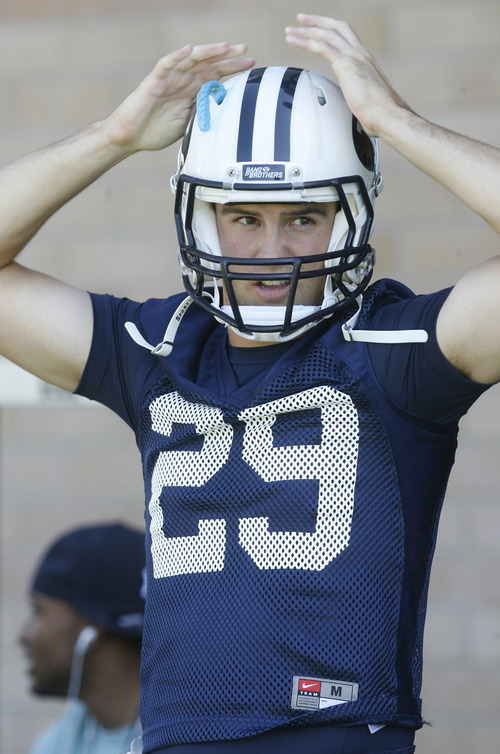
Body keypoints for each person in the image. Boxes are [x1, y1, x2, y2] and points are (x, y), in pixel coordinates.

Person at [2, 10, 500, 753]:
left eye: (303, 216)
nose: (272, 250)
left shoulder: (397, 351)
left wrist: (397, 123)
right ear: (199, 217)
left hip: (336, 736)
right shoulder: (157, 349)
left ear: (351, 213)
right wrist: (111, 137)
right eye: (244, 217)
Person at [19, 522, 146, 754]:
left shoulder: (184, 737)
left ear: (91, 631)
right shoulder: (56, 744)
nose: (23, 636)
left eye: (38, 611)